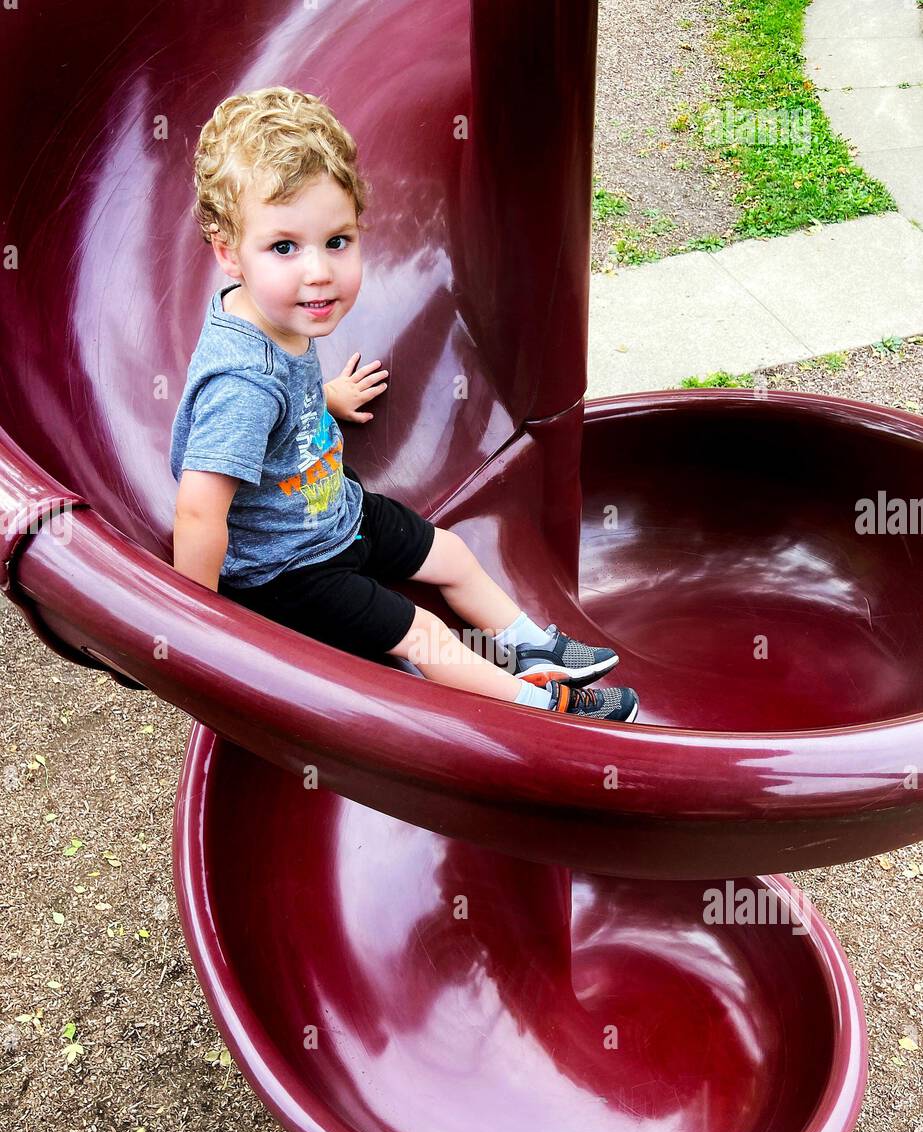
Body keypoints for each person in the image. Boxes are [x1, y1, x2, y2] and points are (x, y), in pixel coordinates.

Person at [171, 87, 640, 723]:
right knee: (423, 635)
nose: (318, 272)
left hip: (335, 509)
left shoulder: (276, 313)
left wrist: (323, 398)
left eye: (337, 241)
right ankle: (543, 704)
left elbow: (285, 397)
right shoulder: (242, 385)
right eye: (284, 247)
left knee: (449, 554)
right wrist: (199, 627)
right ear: (228, 250)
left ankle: (531, 646)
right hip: (288, 572)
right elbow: (201, 510)